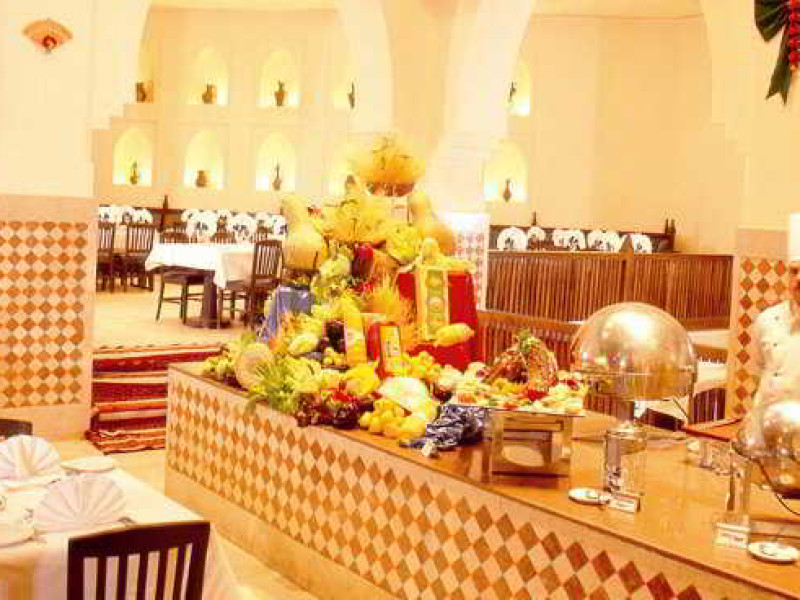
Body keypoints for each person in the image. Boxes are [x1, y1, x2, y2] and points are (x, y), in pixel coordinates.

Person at [753, 213, 800, 405]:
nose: (799, 279)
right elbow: (758, 375)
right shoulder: (767, 319)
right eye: (794, 271)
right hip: (766, 420)